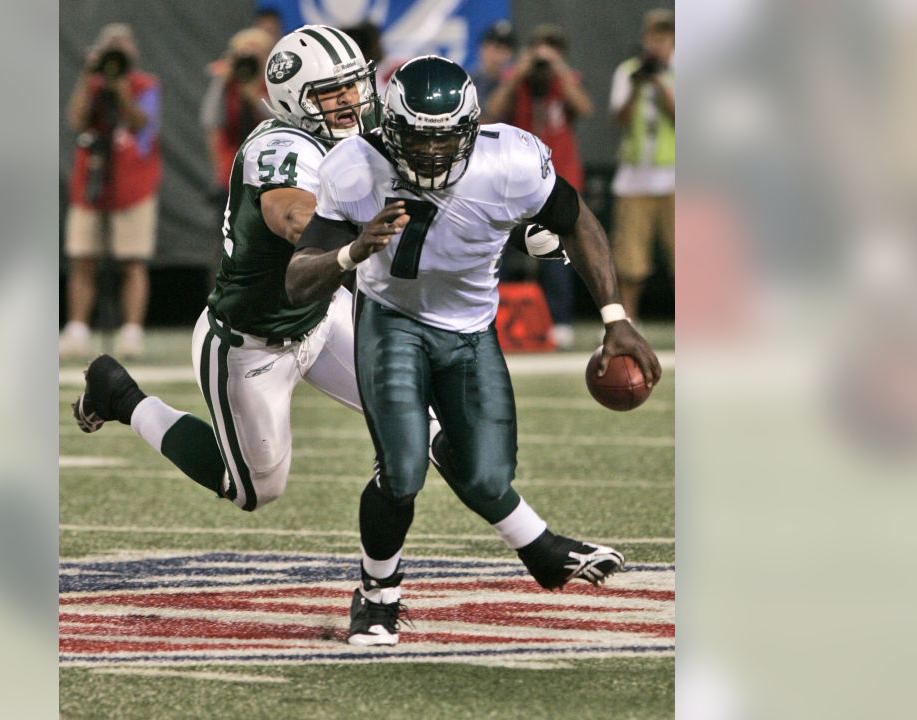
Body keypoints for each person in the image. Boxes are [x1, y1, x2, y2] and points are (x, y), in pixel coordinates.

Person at [285, 56, 662, 646]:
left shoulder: (510, 158)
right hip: (392, 322)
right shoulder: (354, 166)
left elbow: (578, 220)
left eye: (446, 139)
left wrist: (615, 316)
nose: (433, 154)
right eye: (418, 139)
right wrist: (353, 252)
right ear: (390, 128)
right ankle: (377, 594)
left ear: (471, 129)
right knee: (403, 469)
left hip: (470, 331)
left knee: (488, 477)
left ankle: (538, 550)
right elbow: (296, 278)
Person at [71, 25, 399, 512]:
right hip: (251, 341)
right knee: (252, 490)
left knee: (417, 415)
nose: (350, 100)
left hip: (324, 314)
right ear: (294, 99)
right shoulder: (280, 148)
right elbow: (290, 213)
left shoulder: (350, 138)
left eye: (354, 84)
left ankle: (519, 535)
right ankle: (122, 397)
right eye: (332, 91)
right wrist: (352, 235)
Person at [485, 24, 594, 349]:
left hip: (559, 178)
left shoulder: (566, 80)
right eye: (540, 49)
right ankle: (491, 318)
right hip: (514, 180)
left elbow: (585, 107)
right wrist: (518, 73)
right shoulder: (516, 81)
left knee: (557, 251)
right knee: (497, 248)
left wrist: (558, 69)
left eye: (553, 49)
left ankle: (560, 320)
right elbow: (493, 109)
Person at [61, 24, 162, 358]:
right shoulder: (91, 84)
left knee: (133, 260)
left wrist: (120, 89)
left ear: (132, 52)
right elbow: (76, 120)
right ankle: (77, 329)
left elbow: (141, 123)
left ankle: (131, 332)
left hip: (133, 185)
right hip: (91, 185)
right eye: (109, 48)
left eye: (121, 48)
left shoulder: (145, 85)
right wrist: (87, 76)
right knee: (82, 257)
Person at [610, 9, 675, 323]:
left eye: (665, 36)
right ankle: (627, 320)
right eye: (654, 36)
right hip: (634, 178)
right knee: (630, 260)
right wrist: (639, 85)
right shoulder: (628, 72)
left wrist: (661, 83)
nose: (659, 42)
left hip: (675, 178)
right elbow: (620, 118)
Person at [200, 28, 276, 209]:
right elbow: (210, 119)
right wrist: (223, 80)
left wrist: (255, 98)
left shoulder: (274, 85)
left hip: (269, 172)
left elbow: (281, 120)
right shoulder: (229, 86)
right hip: (231, 172)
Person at [471, 20, 516, 105]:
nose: (500, 56)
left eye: (506, 49)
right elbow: (486, 115)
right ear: (482, 49)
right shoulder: (468, 82)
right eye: (497, 48)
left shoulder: (517, 82)